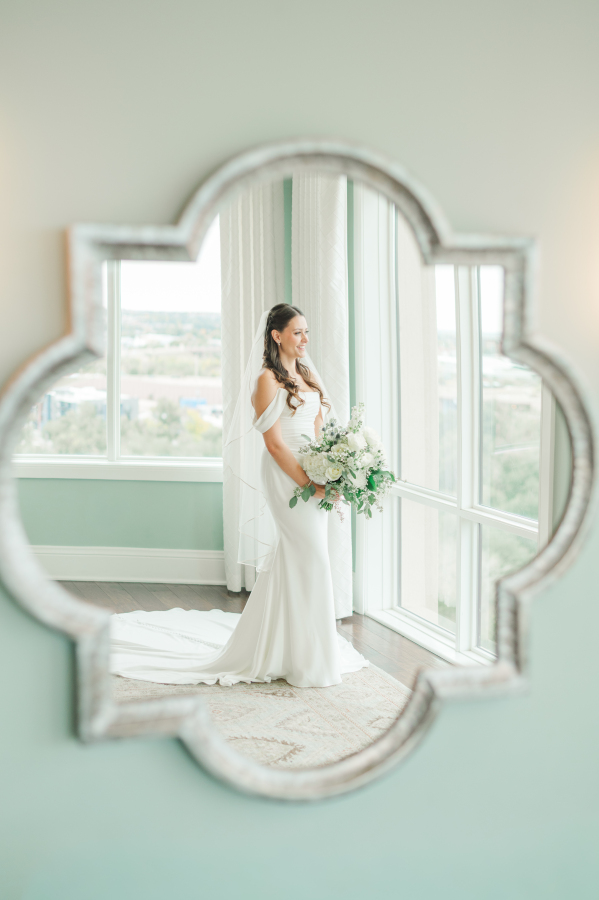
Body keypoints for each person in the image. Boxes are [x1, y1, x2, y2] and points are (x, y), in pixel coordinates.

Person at [110, 304, 368, 687]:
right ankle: (308, 659)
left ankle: (291, 650)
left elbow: (317, 429)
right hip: (286, 476)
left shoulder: (307, 375)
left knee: (299, 559)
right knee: (311, 558)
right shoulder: (267, 380)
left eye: (306, 332)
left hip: (314, 470)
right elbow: (275, 445)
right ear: (277, 335)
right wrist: (308, 483)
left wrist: (332, 469)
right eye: (297, 332)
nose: (304, 339)